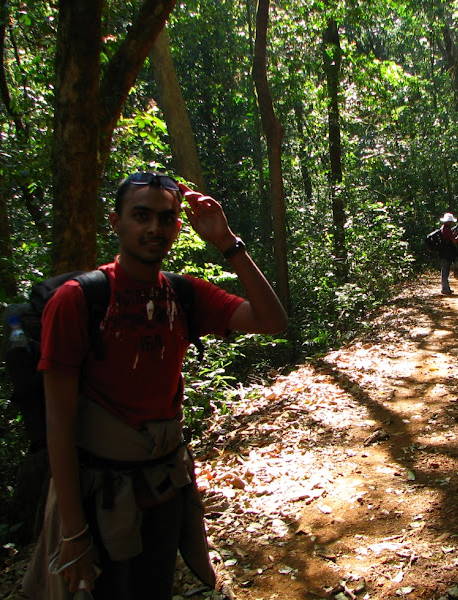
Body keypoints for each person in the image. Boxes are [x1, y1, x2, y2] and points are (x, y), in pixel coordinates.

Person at [23, 171, 287, 600]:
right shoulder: (77, 300)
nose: (154, 228)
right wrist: (73, 532)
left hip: (165, 487)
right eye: (141, 216)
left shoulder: (182, 293)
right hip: (98, 496)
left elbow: (272, 321)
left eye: (165, 219)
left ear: (178, 228)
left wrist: (227, 242)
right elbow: (59, 423)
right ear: (116, 222)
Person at [437, 212, 458, 294]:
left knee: (444, 270)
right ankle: (445, 289)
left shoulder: (443, 228)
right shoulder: (447, 230)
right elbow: (454, 240)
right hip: (447, 252)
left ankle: (446, 288)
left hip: (443, 252)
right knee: (445, 271)